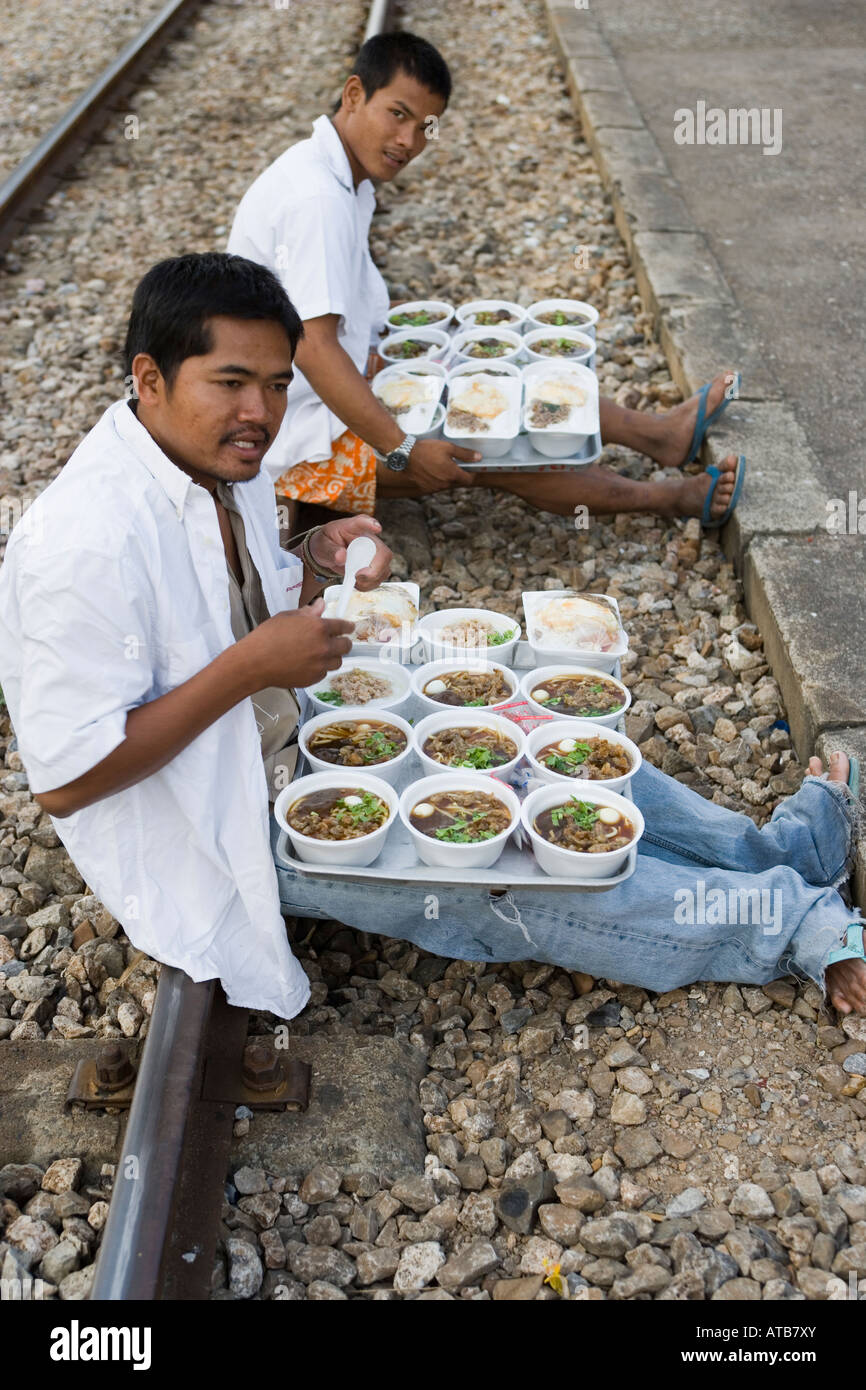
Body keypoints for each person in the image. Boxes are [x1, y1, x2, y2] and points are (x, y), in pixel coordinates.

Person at [0, 252, 392, 1019]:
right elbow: (66, 782)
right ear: (150, 378)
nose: (262, 412)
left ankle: (711, 850)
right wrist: (249, 669)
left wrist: (316, 556)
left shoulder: (213, 461)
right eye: (231, 382)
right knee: (543, 873)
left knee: (541, 750)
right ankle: (706, 924)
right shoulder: (84, 541)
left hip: (287, 747)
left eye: (278, 385)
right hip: (218, 824)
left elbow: (233, 602)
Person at [228, 31, 743, 537]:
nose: (409, 141)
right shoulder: (316, 197)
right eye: (398, 114)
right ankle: (671, 498)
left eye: (426, 126)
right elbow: (315, 348)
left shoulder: (341, 176)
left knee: (495, 363)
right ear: (354, 94)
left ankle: (657, 436)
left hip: (334, 388)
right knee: (494, 448)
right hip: (292, 437)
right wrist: (405, 447)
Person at [272, 752, 866, 1017]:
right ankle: (793, 924)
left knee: (562, 766)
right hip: (248, 839)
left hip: (286, 736)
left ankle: (786, 854)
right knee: (501, 877)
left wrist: (317, 558)